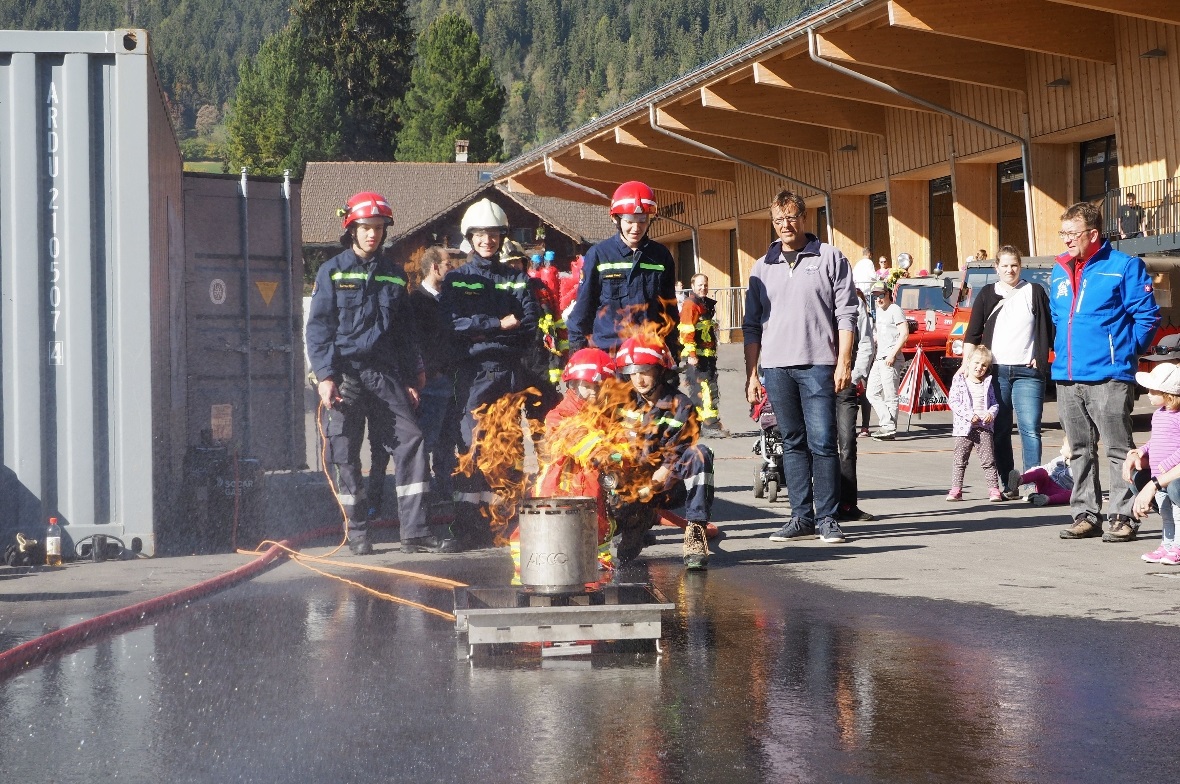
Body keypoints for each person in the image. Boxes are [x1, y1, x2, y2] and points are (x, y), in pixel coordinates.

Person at [305, 192, 455, 555]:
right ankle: (358, 532)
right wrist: (325, 377)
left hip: (384, 375)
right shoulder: (332, 271)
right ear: (352, 229)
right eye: (366, 227)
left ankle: (414, 532)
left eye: (379, 228)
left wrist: (412, 377)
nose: (373, 234)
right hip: (345, 376)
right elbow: (319, 329)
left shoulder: (393, 275)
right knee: (345, 451)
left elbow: (404, 332)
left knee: (411, 440)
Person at [744, 189, 858, 545]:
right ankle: (801, 518)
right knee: (792, 443)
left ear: (804, 218)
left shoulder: (830, 257)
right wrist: (752, 375)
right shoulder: (762, 267)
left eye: (791, 217)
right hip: (777, 369)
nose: (785, 225)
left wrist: (844, 362)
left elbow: (847, 313)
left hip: (819, 365)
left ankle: (827, 519)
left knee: (823, 442)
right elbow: (751, 325)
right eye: (779, 220)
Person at [1051, 201, 1160, 542]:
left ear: (1093, 233)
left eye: (1073, 233)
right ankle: (1085, 513)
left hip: (1110, 375)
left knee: (1118, 449)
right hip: (1068, 374)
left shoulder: (1124, 266)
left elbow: (1147, 317)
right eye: (1063, 233)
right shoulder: (1059, 269)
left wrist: (1124, 353)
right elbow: (1058, 317)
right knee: (1079, 449)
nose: (1066, 239)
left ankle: (1123, 516)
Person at [441, 198, 541, 549]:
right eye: (481, 234)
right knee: (471, 448)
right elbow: (451, 325)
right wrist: (497, 324)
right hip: (473, 375)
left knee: (508, 449)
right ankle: (467, 527)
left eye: (494, 234)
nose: (488, 240)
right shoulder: (457, 280)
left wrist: (481, 332)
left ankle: (502, 525)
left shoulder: (516, 278)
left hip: (509, 374)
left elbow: (528, 323)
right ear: (470, 237)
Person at [614, 336, 714, 570]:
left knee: (700, 454)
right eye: (633, 373)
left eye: (645, 371)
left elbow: (677, 452)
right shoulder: (622, 404)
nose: (639, 379)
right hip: (632, 485)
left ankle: (696, 532)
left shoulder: (681, 406)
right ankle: (636, 522)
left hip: (669, 485)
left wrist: (657, 479)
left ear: (660, 370)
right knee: (624, 556)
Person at [961, 245, 1053, 498]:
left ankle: (1032, 483)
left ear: (1020, 266)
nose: (1010, 270)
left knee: (1030, 428)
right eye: (1005, 265)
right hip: (996, 372)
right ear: (996, 268)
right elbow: (972, 333)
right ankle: (1009, 482)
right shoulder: (987, 293)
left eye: (1014, 265)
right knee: (999, 429)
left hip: (1028, 372)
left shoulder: (1034, 291)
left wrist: (1040, 356)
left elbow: (1049, 328)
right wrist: (966, 365)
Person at [567, 181, 679, 357]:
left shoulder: (661, 256)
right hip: (609, 353)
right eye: (630, 221)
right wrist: (577, 352)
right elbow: (583, 308)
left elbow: (669, 308)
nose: (636, 228)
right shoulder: (599, 254)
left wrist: (673, 352)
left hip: (649, 353)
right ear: (615, 218)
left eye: (643, 220)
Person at [408, 246, 460, 501]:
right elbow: (414, 343)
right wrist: (428, 373)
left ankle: (445, 491)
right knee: (426, 440)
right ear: (435, 267)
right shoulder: (416, 301)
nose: (452, 268)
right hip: (431, 384)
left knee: (448, 441)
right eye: (448, 264)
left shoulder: (450, 298)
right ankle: (422, 495)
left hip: (453, 381)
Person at [1124, 363, 1180, 564]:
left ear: (1169, 395)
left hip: (1169, 474)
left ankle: (1178, 546)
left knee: (1177, 511)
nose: (1148, 394)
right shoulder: (1158, 414)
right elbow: (1155, 441)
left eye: (1153, 391)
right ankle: (1167, 544)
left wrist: (1169, 463)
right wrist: (1141, 450)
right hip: (1158, 474)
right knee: (1166, 514)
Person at [836, 288, 875, 521]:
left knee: (847, 443)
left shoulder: (854, 302)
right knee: (820, 446)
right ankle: (822, 505)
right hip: (817, 382)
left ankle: (848, 505)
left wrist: (854, 375)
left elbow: (866, 343)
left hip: (846, 383)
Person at [947, 345, 1002, 501]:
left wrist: (991, 413)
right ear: (969, 362)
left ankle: (994, 490)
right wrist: (969, 415)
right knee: (960, 460)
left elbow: (994, 403)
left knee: (988, 461)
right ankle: (956, 490)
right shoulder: (959, 381)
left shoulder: (987, 383)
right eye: (976, 363)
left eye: (984, 365)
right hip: (963, 429)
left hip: (984, 428)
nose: (979, 367)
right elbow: (954, 402)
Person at [679, 273, 728, 437]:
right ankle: (708, 425)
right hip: (698, 356)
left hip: (707, 356)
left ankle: (704, 424)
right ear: (692, 286)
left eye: (705, 285)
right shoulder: (690, 304)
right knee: (703, 390)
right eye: (700, 285)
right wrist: (692, 355)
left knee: (709, 389)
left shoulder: (704, 303)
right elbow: (686, 331)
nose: (703, 288)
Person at [865, 280, 909, 441]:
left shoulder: (895, 309)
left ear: (888, 294)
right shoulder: (879, 310)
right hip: (879, 357)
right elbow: (881, 333)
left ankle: (889, 428)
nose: (878, 299)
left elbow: (904, 333)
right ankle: (888, 424)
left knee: (890, 395)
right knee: (871, 392)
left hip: (891, 358)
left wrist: (892, 354)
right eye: (875, 296)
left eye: (881, 295)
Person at [1017, 440, 1074, 507]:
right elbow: (1047, 467)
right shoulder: (1059, 459)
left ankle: (1047, 499)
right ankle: (1020, 479)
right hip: (1046, 484)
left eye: (1064, 445)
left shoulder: (1078, 467)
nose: (1062, 447)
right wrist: (1030, 472)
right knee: (1042, 471)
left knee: (1071, 494)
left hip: (1059, 491)